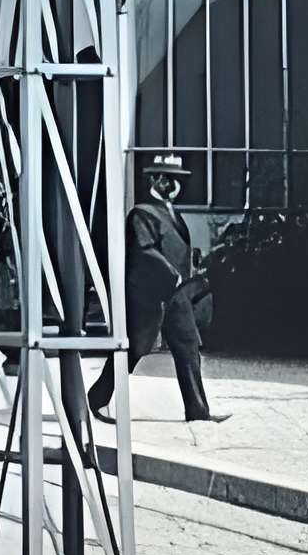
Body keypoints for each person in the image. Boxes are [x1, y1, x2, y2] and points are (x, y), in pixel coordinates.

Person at [88, 154, 223, 426]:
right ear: (155, 180)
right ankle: (97, 398)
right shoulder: (142, 213)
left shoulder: (172, 212)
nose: (174, 184)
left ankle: (198, 411)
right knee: (133, 350)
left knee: (188, 349)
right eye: (168, 178)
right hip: (149, 298)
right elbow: (144, 250)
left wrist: (192, 263)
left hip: (177, 296)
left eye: (177, 179)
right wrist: (171, 274)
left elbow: (175, 247)